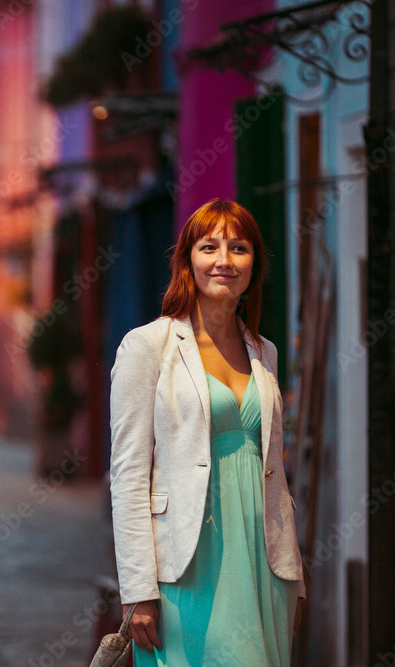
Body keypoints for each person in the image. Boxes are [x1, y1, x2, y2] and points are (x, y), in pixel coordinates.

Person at [108, 198, 306, 666]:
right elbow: (129, 476)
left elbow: (273, 469)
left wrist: (294, 572)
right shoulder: (147, 346)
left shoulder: (265, 352)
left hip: (264, 562)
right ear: (187, 262)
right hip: (187, 565)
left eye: (238, 248)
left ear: (254, 264)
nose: (223, 260)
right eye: (209, 247)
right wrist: (137, 588)